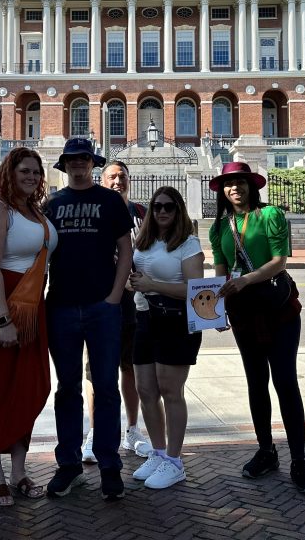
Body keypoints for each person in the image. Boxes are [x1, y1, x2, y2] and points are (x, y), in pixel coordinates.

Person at [208, 161, 305, 494]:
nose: (235, 188)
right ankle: (266, 451)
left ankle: (299, 460)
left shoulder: (270, 215)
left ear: (251, 186)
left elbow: (278, 261)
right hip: (243, 312)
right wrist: (216, 310)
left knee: (285, 382)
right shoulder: (219, 227)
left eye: (240, 182)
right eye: (229, 184)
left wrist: (246, 280)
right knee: (256, 382)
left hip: (277, 309)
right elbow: (220, 271)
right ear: (222, 191)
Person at [0, 147, 57, 506]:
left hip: (33, 309)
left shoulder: (35, 211)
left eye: (36, 172)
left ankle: (18, 472)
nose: (32, 177)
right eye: (24, 171)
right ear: (9, 173)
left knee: (28, 389)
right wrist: (3, 320)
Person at [44, 138, 134, 501]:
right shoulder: (51, 204)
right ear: (65, 164)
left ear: (92, 163)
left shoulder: (110, 201)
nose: (79, 164)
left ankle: (109, 465)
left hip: (102, 307)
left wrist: (114, 297)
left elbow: (125, 249)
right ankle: (69, 465)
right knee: (67, 389)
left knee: (107, 387)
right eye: (73, 159)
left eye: (84, 158)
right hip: (61, 306)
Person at [127, 186, 204, 490]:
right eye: (157, 206)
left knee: (170, 390)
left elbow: (195, 289)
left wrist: (152, 284)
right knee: (145, 389)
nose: (161, 211)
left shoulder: (188, 243)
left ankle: (174, 461)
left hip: (175, 320)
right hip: (144, 317)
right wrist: (136, 283)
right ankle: (158, 453)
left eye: (169, 206)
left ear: (178, 210)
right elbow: (140, 276)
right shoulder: (144, 240)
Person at [81, 160, 151, 462]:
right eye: (111, 176)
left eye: (122, 176)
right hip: (100, 301)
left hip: (134, 303)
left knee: (131, 368)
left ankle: (132, 430)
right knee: (96, 371)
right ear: (102, 180)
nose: (117, 181)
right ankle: (95, 432)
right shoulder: (93, 211)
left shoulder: (141, 214)